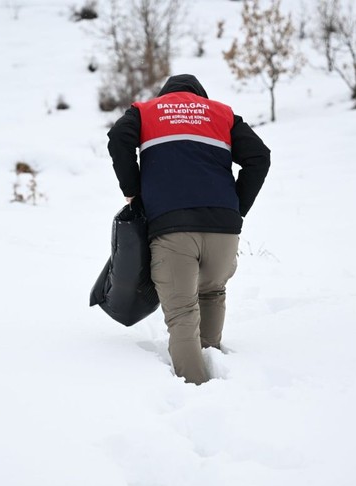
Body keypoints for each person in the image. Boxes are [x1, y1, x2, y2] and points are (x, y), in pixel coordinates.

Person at [107, 74, 271, 385]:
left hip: (172, 229)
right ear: (200, 95)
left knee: (182, 314)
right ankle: (214, 368)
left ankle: (197, 392)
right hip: (223, 231)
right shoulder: (221, 114)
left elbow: (118, 138)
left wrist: (132, 190)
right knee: (213, 292)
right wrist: (237, 208)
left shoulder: (145, 112)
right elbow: (259, 157)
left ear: (164, 93)